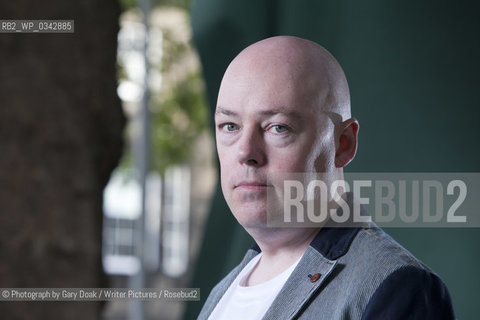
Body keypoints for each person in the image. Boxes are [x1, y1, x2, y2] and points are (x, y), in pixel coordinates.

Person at [198, 36, 455, 319]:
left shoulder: (396, 287)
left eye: (278, 128)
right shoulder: (221, 294)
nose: (246, 151)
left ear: (342, 143)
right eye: (230, 126)